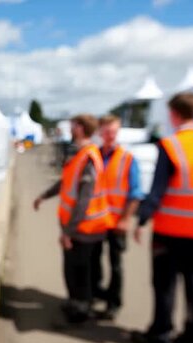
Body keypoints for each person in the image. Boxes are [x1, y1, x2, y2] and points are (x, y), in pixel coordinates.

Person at [131, 92, 193, 343]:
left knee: (165, 285)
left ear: (174, 114)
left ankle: (159, 335)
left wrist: (142, 219)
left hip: (170, 229)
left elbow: (157, 189)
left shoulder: (171, 145)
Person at [33, 114, 111, 324]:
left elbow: (84, 200)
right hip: (81, 226)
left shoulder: (87, 157)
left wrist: (69, 232)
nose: (70, 128)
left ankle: (79, 312)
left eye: (73, 125)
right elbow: (66, 182)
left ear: (80, 128)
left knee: (78, 271)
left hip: (84, 228)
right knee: (76, 270)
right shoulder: (80, 155)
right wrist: (44, 196)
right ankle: (76, 303)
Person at [91, 115, 143, 320]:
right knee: (93, 261)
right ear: (100, 133)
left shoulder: (127, 158)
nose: (109, 136)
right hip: (96, 221)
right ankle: (95, 294)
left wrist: (125, 219)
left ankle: (113, 303)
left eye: (113, 132)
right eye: (106, 132)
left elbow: (135, 193)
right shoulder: (94, 156)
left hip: (116, 222)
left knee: (116, 265)